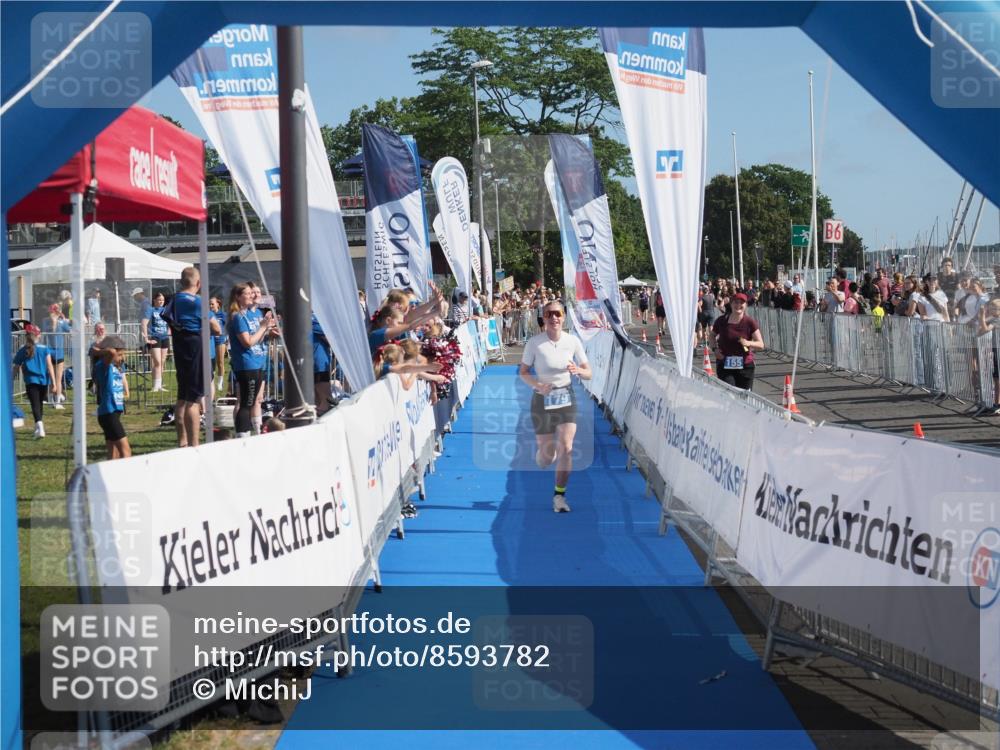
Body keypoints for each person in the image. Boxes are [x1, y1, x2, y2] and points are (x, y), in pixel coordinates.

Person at [518, 300, 592, 514]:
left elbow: (589, 373)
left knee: (566, 448)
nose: (554, 318)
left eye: (558, 313)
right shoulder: (534, 343)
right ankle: (542, 454)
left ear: (564, 316)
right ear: (543, 318)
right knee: (547, 456)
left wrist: (578, 370)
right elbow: (523, 372)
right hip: (542, 399)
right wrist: (538, 385)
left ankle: (559, 496)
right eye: (549, 314)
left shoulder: (573, 341)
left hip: (566, 397)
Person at [165, 267, 220, 447]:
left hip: (181, 349)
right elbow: (217, 328)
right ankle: (195, 444)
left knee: (182, 397)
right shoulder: (198, 302)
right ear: (198, 283)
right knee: (193, 400)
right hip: (195, 349)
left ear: (182, 282)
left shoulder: (174, 300)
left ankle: (183, 441)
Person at [227, 281, 275, 438]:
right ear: (238, 297)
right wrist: (262, 327)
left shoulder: (250, 314)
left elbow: (256, 339)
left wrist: (266, 329)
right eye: (247, 294)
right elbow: (247, 342)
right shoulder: (238, 316)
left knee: (254, 400)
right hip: (246, 363)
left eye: (251, 293)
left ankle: (251, 432)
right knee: (247, 402)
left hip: (256, 361)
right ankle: (242, 437)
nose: (251, 296)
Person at [710, 292, 764, 391]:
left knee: (744, 397)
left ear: (746, 305)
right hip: (725, 363)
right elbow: (712, 336)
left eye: (741, 303)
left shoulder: (750, 322)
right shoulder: (722, 321)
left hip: (745, 365)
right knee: (730, 392)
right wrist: (715, 349)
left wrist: (748, 343)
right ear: (731, 304)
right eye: (735, 302)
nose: (738, 305)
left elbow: (761, 344)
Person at [12, 324, 56, 438]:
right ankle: (38, 427)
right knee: (39, 404)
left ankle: (39, 427)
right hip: (43, 381)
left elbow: (16, 367)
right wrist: (54, 383)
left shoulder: (23, 350)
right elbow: (50, 366)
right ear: (38, 335)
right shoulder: (45, 349)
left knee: (35, 404)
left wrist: (10, 380)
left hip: (31, 381)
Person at [92, 335, 131, 460]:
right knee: (126, 451)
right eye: (120, 355)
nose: (122, 358)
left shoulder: (114, 367)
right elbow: (111, 351)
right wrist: (99, 351)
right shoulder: (103, 366)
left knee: (113, 453)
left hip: (113, 413)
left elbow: (113, 352)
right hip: (108, 413)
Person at [41, 303, 70, 409]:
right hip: (54, 352)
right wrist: (63, 320)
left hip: (52, 352)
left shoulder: (47, 321)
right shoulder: (58, 322)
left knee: (53, 378)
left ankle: (53, 401)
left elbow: (70, 330)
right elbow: (70, 330)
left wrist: (64, 320)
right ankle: (55, 401)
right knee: (56, 378)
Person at [142, 291, 170, 392]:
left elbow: (170, 322)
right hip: (154, 337)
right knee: (157, 362)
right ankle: (155, 385)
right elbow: (144, 323)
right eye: (159, 300)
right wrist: (146, 338)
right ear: (154, 300)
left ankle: (159, 384)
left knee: (162, 362)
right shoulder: (151, 310)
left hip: (165, 337)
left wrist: (169, 331)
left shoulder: (166, 310)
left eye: (162, 300)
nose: (161, 302)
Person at [978, 299, 1000, 415]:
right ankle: (996, 403)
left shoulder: (997, 319)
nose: (992, 310)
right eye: (991, 308)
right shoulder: (992, 318)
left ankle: (998, 403)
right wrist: (982, 317)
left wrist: (981, 316)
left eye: (994, 308)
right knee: (995, 378)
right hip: (994, 351)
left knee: (998, 379)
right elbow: (980, 330)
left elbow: (986, 329)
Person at [312, 312, 333, 416]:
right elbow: (330, 339)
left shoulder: (314, 318)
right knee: (323, 400)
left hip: (318, 363)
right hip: (317, 363)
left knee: (323, 401)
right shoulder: (313, 319)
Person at [210, 297, 228, 394]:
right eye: (209, 304)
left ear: (218, 304)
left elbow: (226, 327)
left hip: (220, 340)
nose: (210, 306)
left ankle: (220, 383)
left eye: (212, 304)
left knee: (220, 362)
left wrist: (226, 338)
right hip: (210, 340)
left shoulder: (223, 314)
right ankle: (211, 381)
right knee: (211, 363)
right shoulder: (208, 314)